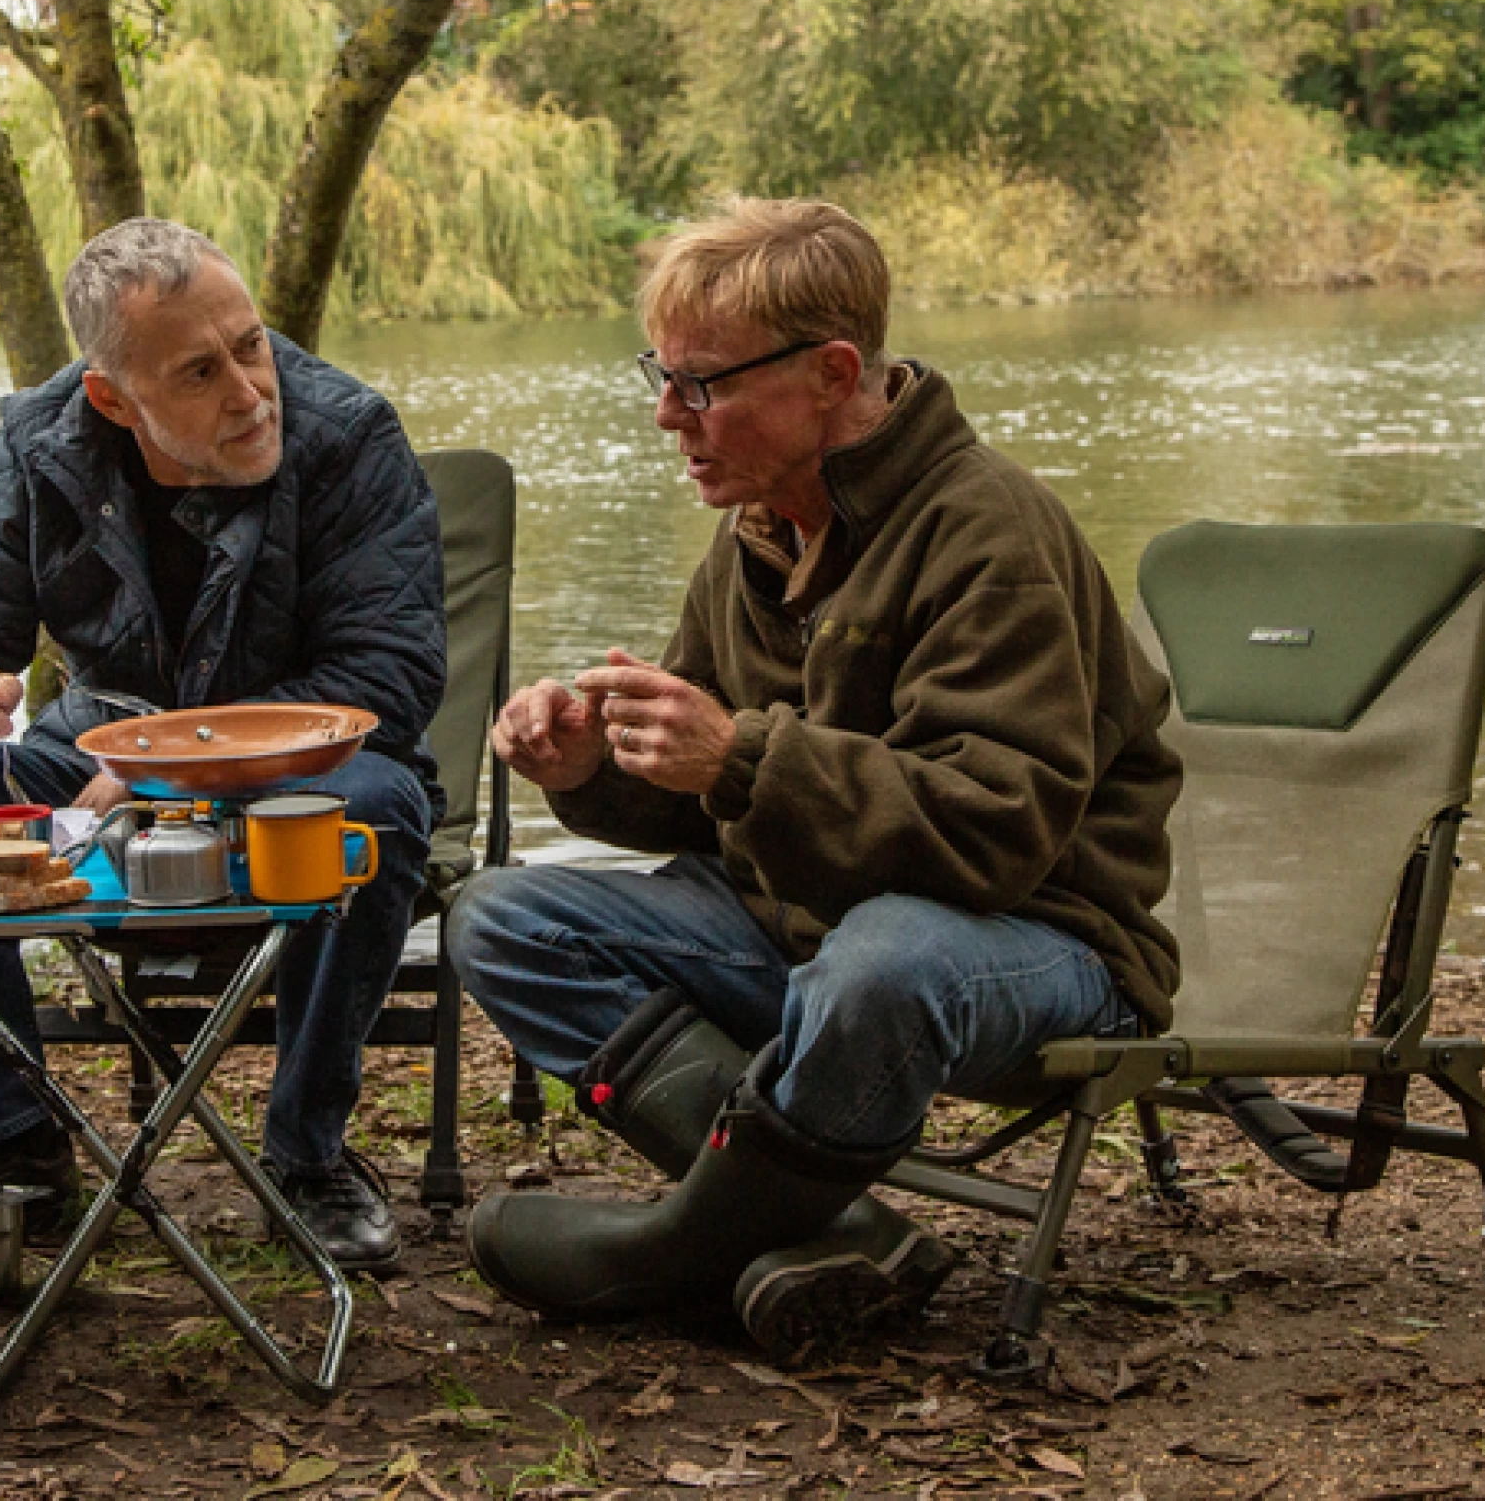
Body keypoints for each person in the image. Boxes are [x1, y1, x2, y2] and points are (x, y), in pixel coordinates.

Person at [445, 197, 1183, 1354]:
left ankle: (677, 1247)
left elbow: (995, 834)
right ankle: (833, 1228)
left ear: (831, 374)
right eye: (661, 376)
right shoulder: (754, 532)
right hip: (805, 929)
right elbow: (703, 804)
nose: (665, 414)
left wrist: (740, 754)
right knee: (500, 917)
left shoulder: (986, 531)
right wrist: (593, 764)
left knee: (882, 960)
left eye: (699, 384)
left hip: (1044, 942)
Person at [0, 218, 446, 1272]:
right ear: (112, 398)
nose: (250, 393)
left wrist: (166, 765)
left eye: (251, 346)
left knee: (379, 804)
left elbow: (387, 680)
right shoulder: (40, 445)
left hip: (296, 771)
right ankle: (3, 1144)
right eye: (200, 372)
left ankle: (306, 1157)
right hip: (94, 766)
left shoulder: (348, 435)